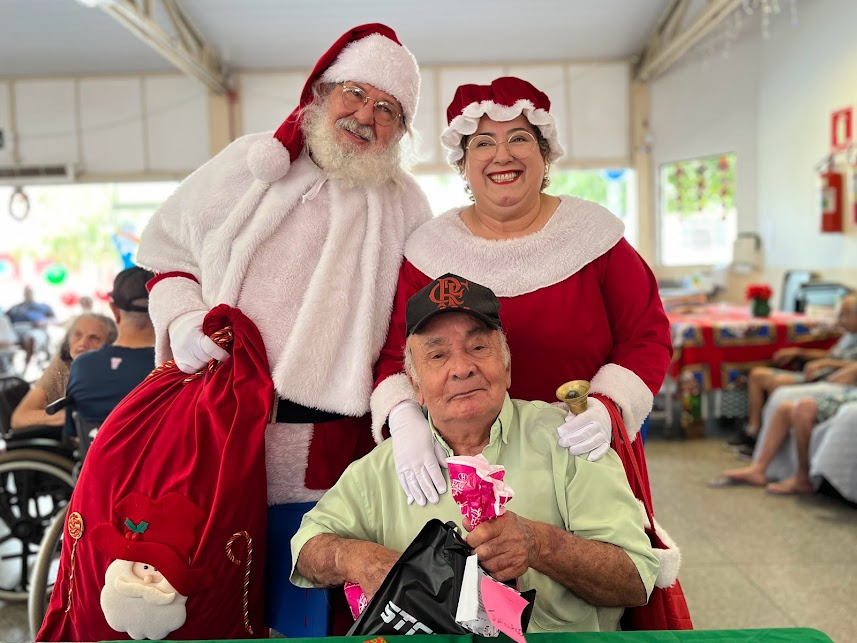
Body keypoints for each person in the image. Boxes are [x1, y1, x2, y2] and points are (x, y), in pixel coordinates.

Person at [135, 23, 430, 634]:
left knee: (305, 600)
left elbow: (412, 323)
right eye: (355, 92)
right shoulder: (246, 163)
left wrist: (403, 413)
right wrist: (184, 319)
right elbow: (167, 257)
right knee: (202, 588)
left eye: (388, 109)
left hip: (328, 442)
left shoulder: (408, 205)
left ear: (401, 132)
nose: (365, 115)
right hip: (214, 419)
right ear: (322, 91)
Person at [292, 275, 660, 632]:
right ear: (415, 387)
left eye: (478, 347)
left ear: (507, 368)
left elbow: (636, 580)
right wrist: (356, 558)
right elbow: (306, 550)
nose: (462, 368)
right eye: (437, 355)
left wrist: (541, 545)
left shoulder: (569, 439)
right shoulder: (383, 466)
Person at [370, 77, 672, 508]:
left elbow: (648, 337)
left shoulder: (595, 237)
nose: (502, 155)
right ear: (464, 162)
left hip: (583, 453)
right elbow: (392, 357)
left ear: (544, 153)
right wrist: (403, 419)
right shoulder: (428, 252)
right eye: (483, 143)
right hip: (466, 466)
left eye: (519, 138)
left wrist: (609, 405)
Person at [731, 293, 857, 452]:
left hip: (829, 379)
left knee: (779, 389)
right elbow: (831, 355)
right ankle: (753, 430)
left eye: (844, 315)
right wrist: (799, 351)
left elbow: (849, 365)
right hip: (820, 372)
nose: (839, 320)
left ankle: (770, 442)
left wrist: (827, 362)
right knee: (757, 375)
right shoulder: (849, 335)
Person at [719, 361, 857, 494]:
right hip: (830, 376)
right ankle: (759, 468)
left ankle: (803, 479)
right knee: (785, 408)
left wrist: (834, 365)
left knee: (804, 407)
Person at [62, 267, 156, 440]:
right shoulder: (174, 367)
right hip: (158, 464)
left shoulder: (82, 365)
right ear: (161, 311)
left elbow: (72, 432)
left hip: (97, 463)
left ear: (114, 310)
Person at [9, 313, 116, 432]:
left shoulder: (116, 370)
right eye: (77, 335)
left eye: (94, 337)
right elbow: (20, 418)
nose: (83, 343)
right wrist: (72, 417)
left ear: (110, 345)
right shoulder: (63, 366)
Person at [7, 285, 56, 371]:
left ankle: (26, 367)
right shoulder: (15, 308)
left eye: (30, 292)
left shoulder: (43, 307)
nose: (28, 294)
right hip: (15, 330)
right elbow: (5, 319)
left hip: (35, 329)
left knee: (31, 338)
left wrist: (43, 322)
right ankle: (7, 367)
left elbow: (54, 319)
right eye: (26, 292)